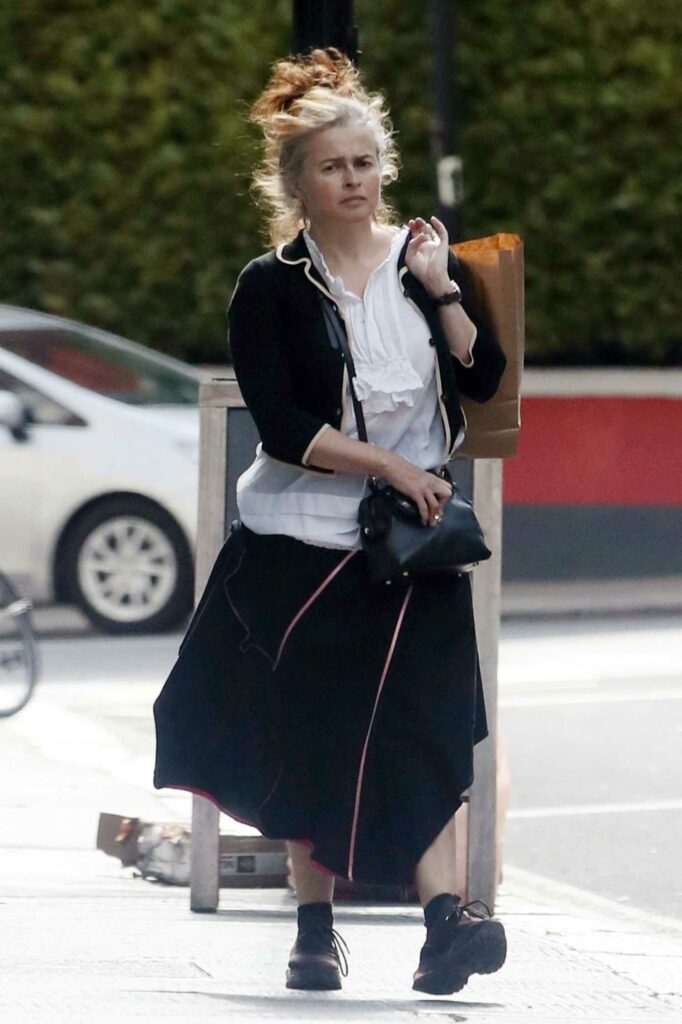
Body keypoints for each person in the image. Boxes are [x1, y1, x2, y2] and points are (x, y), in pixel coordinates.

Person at [153, 47, 508, 996]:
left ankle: (445, 925)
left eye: (364, 163)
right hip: (303, 544)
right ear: (296, 183)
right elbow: (281, 426)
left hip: (416, 545)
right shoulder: (267, 287)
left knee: (431, 729)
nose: (352, 181)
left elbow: (481, 380)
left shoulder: (425, 264)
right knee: (317, 737)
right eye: (331, 167)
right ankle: (314, 927)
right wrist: (386, 461)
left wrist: (440, 289)